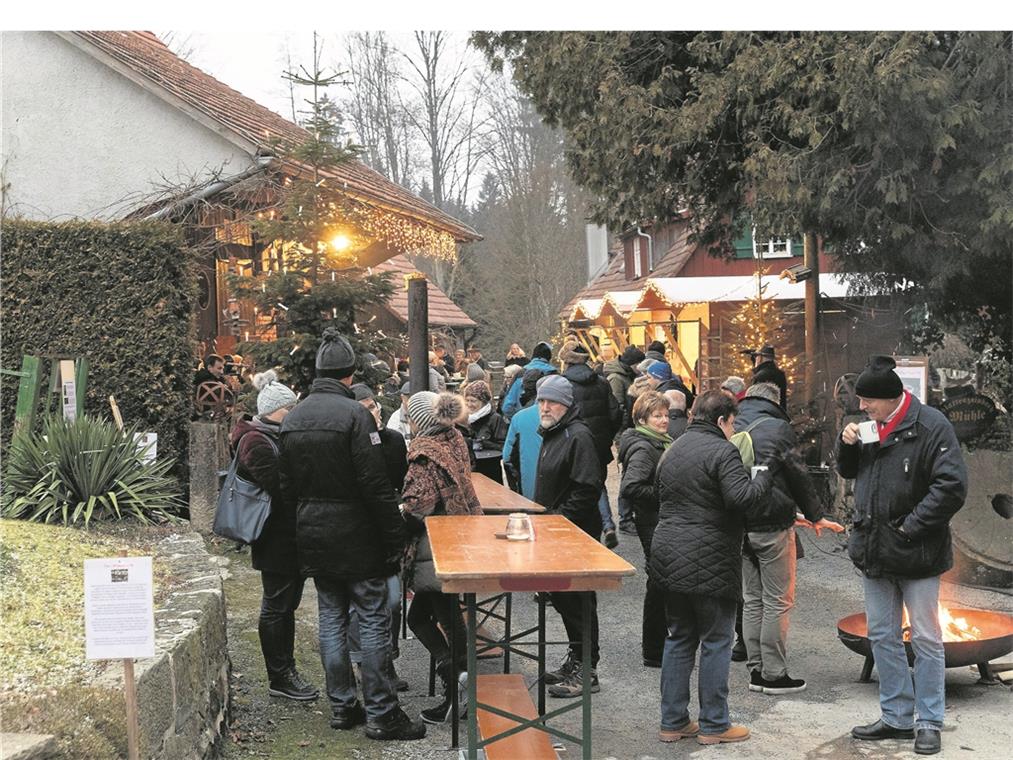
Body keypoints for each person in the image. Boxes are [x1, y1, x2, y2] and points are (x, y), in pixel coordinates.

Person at [279, 328, 424, 741]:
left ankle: (342, 705)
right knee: (374, 621)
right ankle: (383, 712)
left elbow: (285, 486)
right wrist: (394, 534)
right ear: (349, 375)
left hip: (315, 533)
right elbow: (374, 485)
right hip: (358, 536)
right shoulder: (355, 416)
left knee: (331, 619)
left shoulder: (293, 417)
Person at [838, 355, 967, 756]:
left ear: (891, 398)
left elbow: (951, 486)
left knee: (926, 638)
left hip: (917, 553)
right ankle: (895, 717)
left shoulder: (931, 426)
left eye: (867, 401)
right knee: (882, 636)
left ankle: (928, 721)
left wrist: (910, 527)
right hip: (875, 550)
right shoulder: (870, 428)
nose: (861, 407)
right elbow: (849, 474)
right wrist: (846, 447)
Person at [649, 390, 776, 746]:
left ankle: (672, 722)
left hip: (669, 554)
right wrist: (763, 474)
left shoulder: (673, 448)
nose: (732, 429)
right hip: (711, 557)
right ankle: (714, 724)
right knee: (717, 640)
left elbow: (659, 493)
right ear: (722, 421)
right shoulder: (724, 451)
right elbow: (742, 499)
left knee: (678, 637)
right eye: (732, 423)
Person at [734, 382, 842, 696]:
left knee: (753, 599)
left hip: (740, 525)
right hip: (771, 524)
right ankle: (774, 674)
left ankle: (755, 669)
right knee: (778, 600)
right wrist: (815, 514)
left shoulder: (732, 423)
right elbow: (797, 473)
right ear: (775, 402)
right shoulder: (778, 428)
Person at [229, 370, 315, 701]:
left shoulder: (271, 435)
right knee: (277, 605)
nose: (295, 412)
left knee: (285, 605)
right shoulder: (256, 440)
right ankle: (279, 676)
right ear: (277, 410)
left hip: (284, 536)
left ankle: (286, 670)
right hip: (274, 537)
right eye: (291, 407)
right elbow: (279, 488)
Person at [401, 391, 483, 724]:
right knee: (443, 616)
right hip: (458, 538)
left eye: (410, 416)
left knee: (430, 618)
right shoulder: (455, 439)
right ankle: (459, 681)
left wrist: (400, 510)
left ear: (422, 421)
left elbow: (417, 506)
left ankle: (457, 683)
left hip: (434, 547)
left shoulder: (424, 456)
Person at [533, 375, 605, 698]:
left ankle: (587, 670)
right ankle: (577, 658)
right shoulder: (554, 432)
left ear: (567, 405)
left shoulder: (579, 436)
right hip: (556, 534)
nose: (545, 407)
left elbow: (587, 488)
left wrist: (557, 521)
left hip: (575, 535)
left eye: (552, 402)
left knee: (578, 601)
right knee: (563, 600)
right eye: (541, 401)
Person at [349, 382, 409, 692]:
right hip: (359, 531)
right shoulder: (348, 443)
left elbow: (399, 482)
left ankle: (388, 661)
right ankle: (362, 664)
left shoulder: (394, 441)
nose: (372, 412)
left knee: (394, 601)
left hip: (388, 527)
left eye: (373, 406)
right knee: (358, 604)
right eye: (364, 408)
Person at [618, 390, 672, 669]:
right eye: (657, 416)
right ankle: (654, 648)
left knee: (661, 580)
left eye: (666, 415)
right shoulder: (645, 447)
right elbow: (630, 487)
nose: (664, 421)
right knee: (659, 582)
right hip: (652, 520)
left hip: (655, 519)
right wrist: (664, 493)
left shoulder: (658, 442)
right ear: (642, 418)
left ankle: (659, 644)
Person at [560, 341, 622, 548]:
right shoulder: (602, 382)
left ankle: (585, 537)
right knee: (596, 484)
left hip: (573, 445)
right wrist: (606, 437)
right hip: (599, 445)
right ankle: (606, 526)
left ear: (566, 361)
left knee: (577, 489)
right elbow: (615, 413)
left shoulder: (562, 385)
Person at [463, 381, 508, 483]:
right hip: (470, 470)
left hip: (490, 472)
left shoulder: (495, 419)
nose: (469, 404)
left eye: (473, 401)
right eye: (467, 400)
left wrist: (484, 443)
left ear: (483, 402)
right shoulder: (463, 418)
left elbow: (503, 446)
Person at [502, 340, 556, 416]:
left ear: (533, 356)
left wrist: (518, 419)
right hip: (549, 421)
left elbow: (507, 407)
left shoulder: (520, 374)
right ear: (549, 358)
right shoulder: (554, 375)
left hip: (522, 419)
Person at [502, 403, 542, 500]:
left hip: (529, 497)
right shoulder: (575, 419)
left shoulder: (519, 418)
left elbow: (507, 457)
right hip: (567, 503)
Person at [744, 346, 787, 411]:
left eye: (756, 357)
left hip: (763, 414)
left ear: (760, 358)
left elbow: (754, 400)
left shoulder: (760, 376)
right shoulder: (780, 374)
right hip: (779, 413)